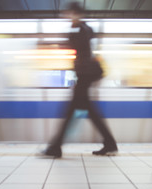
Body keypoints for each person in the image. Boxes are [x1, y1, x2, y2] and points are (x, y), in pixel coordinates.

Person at [42, 2, 118, 158]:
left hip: (84, 75)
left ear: (77, 14)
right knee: (88, 111)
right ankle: (110, 143)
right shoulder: (84, 29)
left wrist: (66, 40)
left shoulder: (80, 29)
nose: (67, 16)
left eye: (69, 13)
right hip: (84, 75)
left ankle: (55, 147)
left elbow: (77, 46)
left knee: (71, 111)